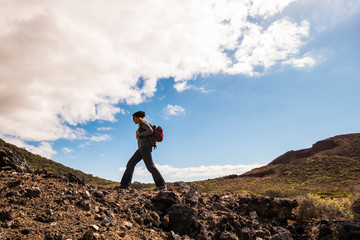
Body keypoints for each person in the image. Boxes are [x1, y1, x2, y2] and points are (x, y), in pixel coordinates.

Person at [120, 111, 166, 190]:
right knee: (130, 164)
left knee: (150, 167)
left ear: (138, 118)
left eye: (133, 118)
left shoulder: (144, 124)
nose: (133, 120)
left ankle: (161, 186)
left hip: (145, 148)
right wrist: (138, 135)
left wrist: (140, 134)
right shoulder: (140, 126)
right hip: (141, 149)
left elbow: (151, 131)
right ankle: (124, 185)